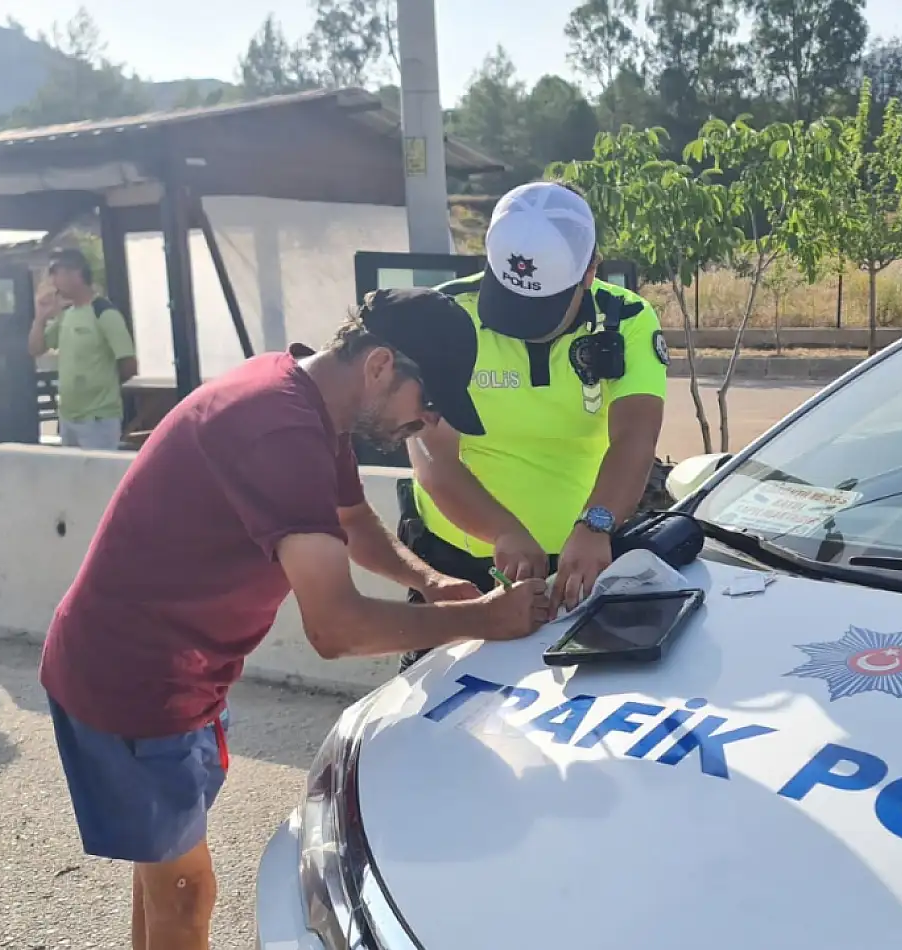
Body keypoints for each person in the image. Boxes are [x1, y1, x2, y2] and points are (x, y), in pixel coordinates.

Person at [39, 288, 552, 950]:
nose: (427, 424)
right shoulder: (279, 428)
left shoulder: (307, 400)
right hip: (136, 679)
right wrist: (483, 619)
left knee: (164, 879)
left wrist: (429, 583)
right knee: (186, 892)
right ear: (380, 366)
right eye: (427, 404)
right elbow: (334, 629)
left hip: (180, 669)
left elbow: (353, 523)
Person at [400, 180, 668, 668]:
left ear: (589, 271)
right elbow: (434, 460)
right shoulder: (439, 315)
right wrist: (502, 530)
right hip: (459, 567)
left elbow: (635, 435)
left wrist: (597, 524)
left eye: (540, 306)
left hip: (581, 563)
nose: (519, 324)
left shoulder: (625, 318)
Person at [28, 248, 137, 450]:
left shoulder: (104, 312)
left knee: (99, 478)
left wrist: (103, 385)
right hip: (68, 417)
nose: (52, 281)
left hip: (98, 418)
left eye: (55, 273)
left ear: (75, 273)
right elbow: (35, 349)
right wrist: (41, 317)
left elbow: (128, 363)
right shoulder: (66, 314)